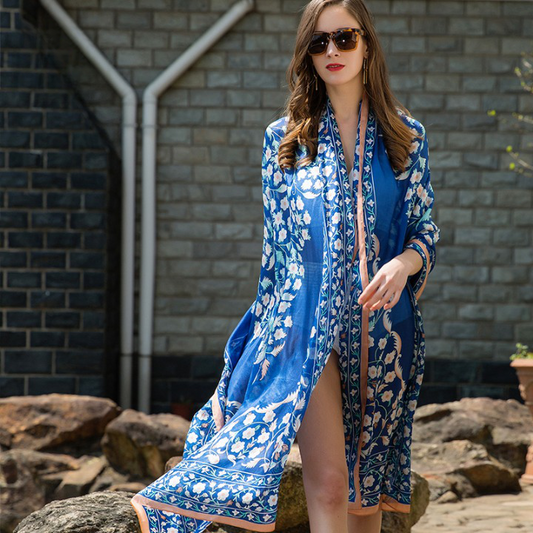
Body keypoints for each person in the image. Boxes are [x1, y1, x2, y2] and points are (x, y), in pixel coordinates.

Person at [131, 1, 440, 532]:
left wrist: (402, 265)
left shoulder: (406, 137)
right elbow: (277, 255)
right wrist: (257, 341)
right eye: (319, 43)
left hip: (383, 334)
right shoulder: (286, 140)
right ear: (307, 55)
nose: (332, 51)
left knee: (364, 499)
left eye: (344, 38)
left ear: (367, 44)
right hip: (305, 329)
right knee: (330, 484)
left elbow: (425, 229)